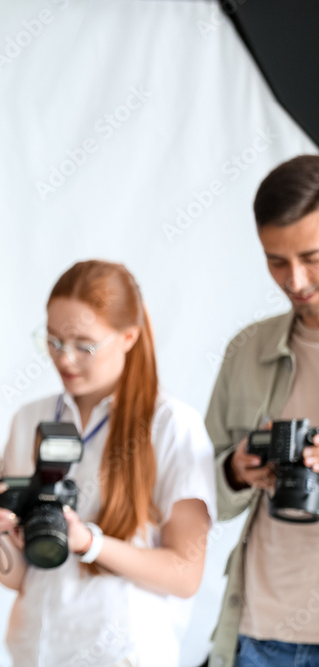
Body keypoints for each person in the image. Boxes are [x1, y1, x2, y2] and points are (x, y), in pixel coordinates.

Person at [0, 260, 215, 667]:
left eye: (84, 345)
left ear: (128, 337)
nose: (64, 359)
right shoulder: (30, 419)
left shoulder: (172, 425)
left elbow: (185, 574)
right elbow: (20, 577)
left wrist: (90, 542)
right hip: (37, 650)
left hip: (124, 655)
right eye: (52, 341)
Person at [207, 155, 319, 667]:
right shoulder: (247, 350)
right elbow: (197, 491)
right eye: (276, 260)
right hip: (258, 631)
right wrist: (234, 470)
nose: (295, 280)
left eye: (312, 256)